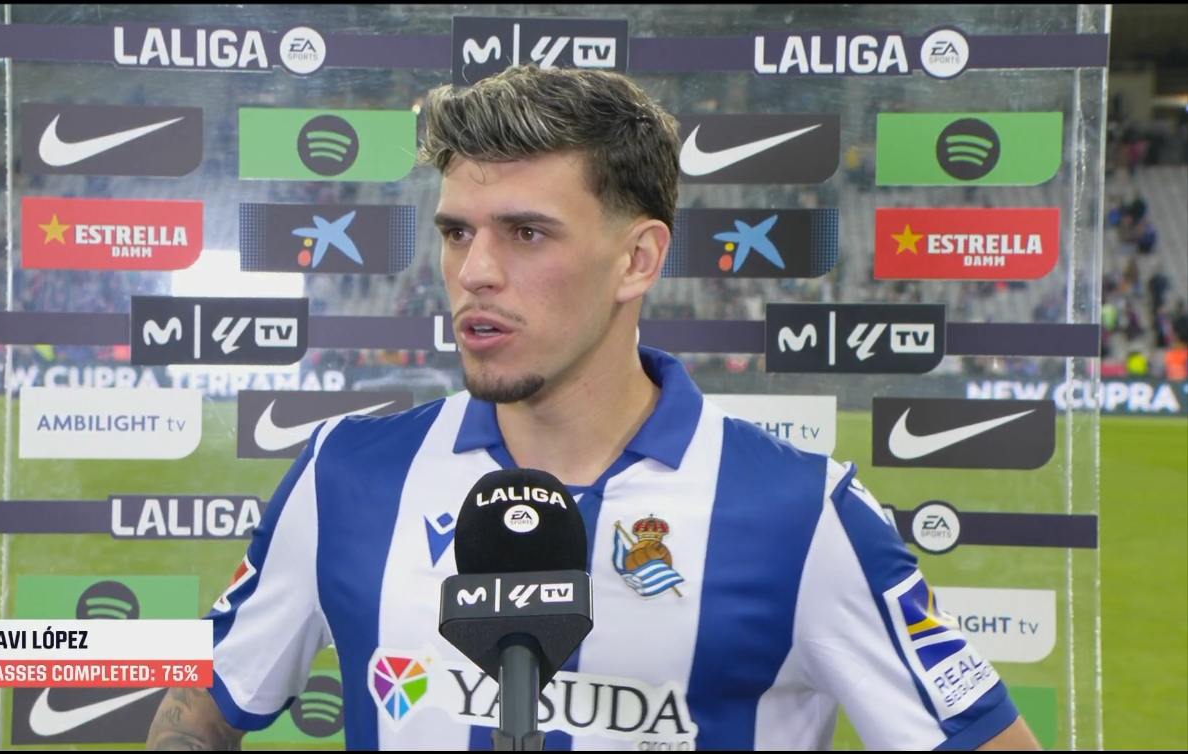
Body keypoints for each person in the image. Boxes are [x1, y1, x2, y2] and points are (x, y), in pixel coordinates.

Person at [147, 66, 1040, 751]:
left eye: (526, 233)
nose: (475, 272)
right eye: (457, 233)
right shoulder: (343, 475)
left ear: (637, 260)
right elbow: (200, 711)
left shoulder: (803, 515)